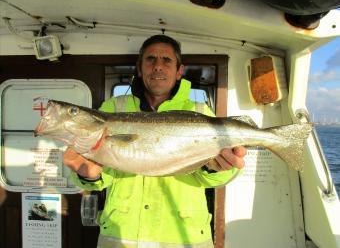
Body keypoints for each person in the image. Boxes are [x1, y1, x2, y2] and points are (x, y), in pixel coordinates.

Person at [64, 34, 246, 248]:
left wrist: (215, 169)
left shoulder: (199, 110)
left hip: (185, 239)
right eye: (150, 59)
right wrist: (87, 176)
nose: (158, 66)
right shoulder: (112, 108)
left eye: (166, 60)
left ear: (179, 71)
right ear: (140, 69)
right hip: (121, 237)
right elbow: (100, 174)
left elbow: (217, 176)